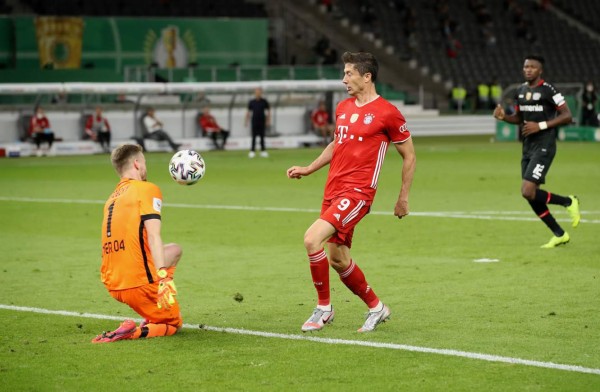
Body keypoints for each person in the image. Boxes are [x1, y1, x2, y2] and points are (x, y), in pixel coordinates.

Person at [286, 51, 416, 333]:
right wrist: (309, 168)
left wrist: (403, 197)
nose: (343, 79)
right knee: (337, 258)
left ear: (366, 76)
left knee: (311, 239)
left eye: (349, 73)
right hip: (333, 189)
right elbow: (337, 143)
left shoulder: (388, 113)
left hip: (358, 193)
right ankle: (377, 308)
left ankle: (323, 309)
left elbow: (409, 155)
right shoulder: (343, 107)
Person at [92, 144, 183, 343]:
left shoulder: (112, 198)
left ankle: (152, 310)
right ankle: (131, 332)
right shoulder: (147, 189)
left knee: (175, 250)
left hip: (113, 280)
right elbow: (153, 235)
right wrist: (162, 277)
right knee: (173, 324)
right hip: (136, 282)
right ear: (136, 163)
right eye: (144, 162)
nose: (145, 167)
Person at [493, 54, 581, 248]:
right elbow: (519, 118)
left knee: (527, 190)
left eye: (532, 67)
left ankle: (569, 201)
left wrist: (540, 125)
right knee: (531, 194)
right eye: (526, 67)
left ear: (540, 70)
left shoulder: (549, 89)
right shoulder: (520, 90)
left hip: (544, 144)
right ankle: (559, 234)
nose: (528, 70)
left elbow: (567, 115)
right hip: (528, 147)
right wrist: (504, 117)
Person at [244, 87, 271, 158]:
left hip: (262, 121)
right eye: (257, 92)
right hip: (254, 120)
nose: (258, 93)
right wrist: (246, 121)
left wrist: (268, 120)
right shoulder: (252, 102)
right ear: (255, 93)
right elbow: (248, 112)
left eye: (259, 92)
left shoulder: (264, 101)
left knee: (262, 136)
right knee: (254, 136)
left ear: (261, 93)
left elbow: (268, 111)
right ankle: (252, 151)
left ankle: (263, 151)